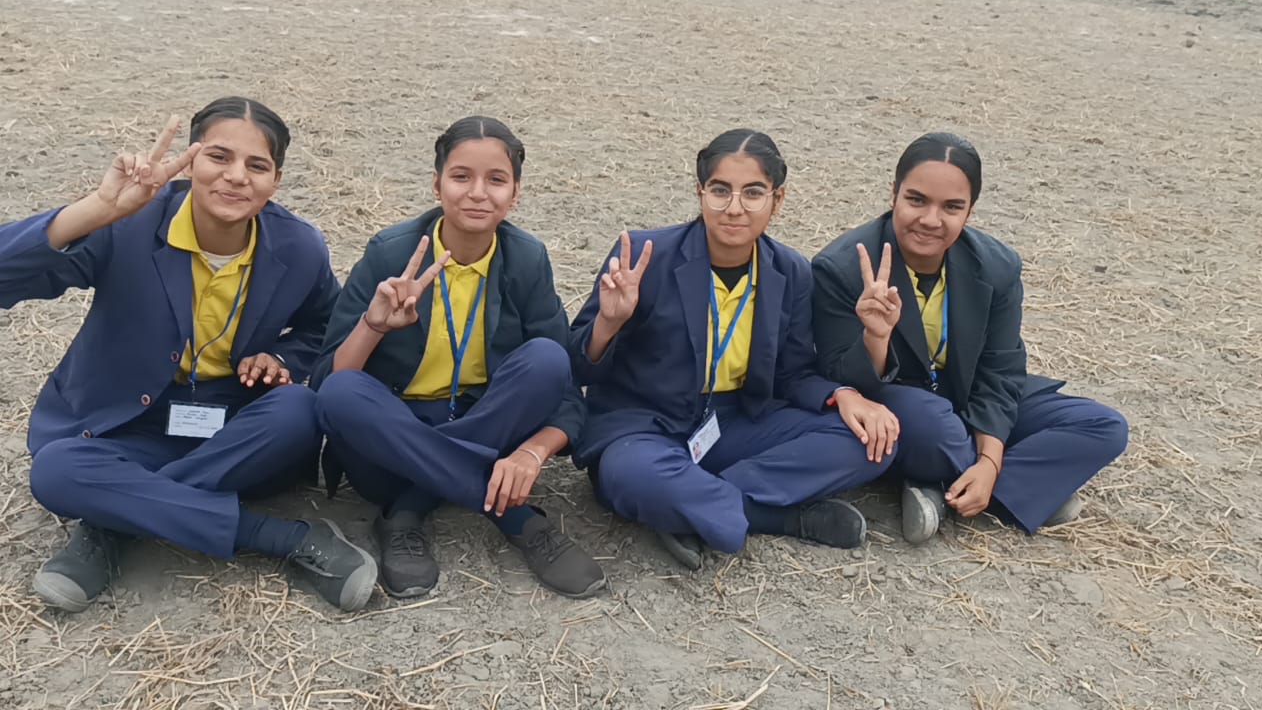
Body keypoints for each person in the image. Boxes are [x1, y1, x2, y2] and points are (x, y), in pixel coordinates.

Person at [1, 97, 377, 613]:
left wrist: (282, 358)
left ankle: (114, 519)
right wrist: (98, 209)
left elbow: (323, 328)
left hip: (232, 427)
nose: (236, 176)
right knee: (57, 470)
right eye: (218, 157)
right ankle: (283, 538)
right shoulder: (129, 222)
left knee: (300, 409)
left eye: (257, 165)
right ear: (191, 161)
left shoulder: (299, 246)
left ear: (276, 181)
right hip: (126, 423)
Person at [569, 129, 897, 569]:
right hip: (646, 425)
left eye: (753, 193)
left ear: (777, 200)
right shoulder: (646, 255)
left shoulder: (791, 271)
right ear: (700, 192)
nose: (735, 208)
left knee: (871, 441)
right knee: (629, 473)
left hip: (735, 421)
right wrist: (608, 323)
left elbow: (793, 374)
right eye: (720, 190)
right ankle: (775, 516)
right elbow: (580, 367)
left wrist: (844, 395)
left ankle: (688, 503)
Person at [312, 116, 605, 600]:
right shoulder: (390, 253)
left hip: (484, 423)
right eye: (461, 176)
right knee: (343, 392)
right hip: (393, 432)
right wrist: (374, 325)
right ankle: (514, 515)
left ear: (515, 193)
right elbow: (326, 382)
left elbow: (565, 387)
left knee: (547, 359)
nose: (477, 193)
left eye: (496, 180)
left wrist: (531, 452)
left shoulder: (526, 258)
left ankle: (406, 511)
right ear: (437, 184)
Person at [811, 131, 1129, 544]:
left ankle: (951, 489)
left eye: (952, 207)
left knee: (1104, 426)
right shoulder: (842, 267)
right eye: (916, 200)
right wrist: (876, 335)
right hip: (901, 402)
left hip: (967, 393)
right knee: (936, 429)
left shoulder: (998, 266)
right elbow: (839, 379)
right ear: (893, 194)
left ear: (970, 211)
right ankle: (1025, 489)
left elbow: (1001, 370)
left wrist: (991, 462)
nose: (931, 220)